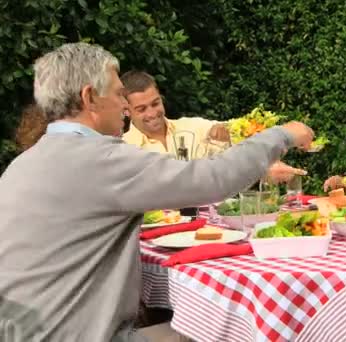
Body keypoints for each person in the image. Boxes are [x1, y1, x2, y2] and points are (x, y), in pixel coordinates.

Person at [0, 42, 313, 342]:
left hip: (23, 332)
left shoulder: (20, 167)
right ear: (89, 97)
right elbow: (212, 179)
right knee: (227, 333)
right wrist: (282, 134)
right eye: (120, 94)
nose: (125, 104)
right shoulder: (102, 161)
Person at [121, 70, 305, 183]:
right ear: (126, 110)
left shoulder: (191, 126)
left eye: (155, 103)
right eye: (141, 109)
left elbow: (235, 134)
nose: (152, 113)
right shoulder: (122, 149)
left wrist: (266, 164)